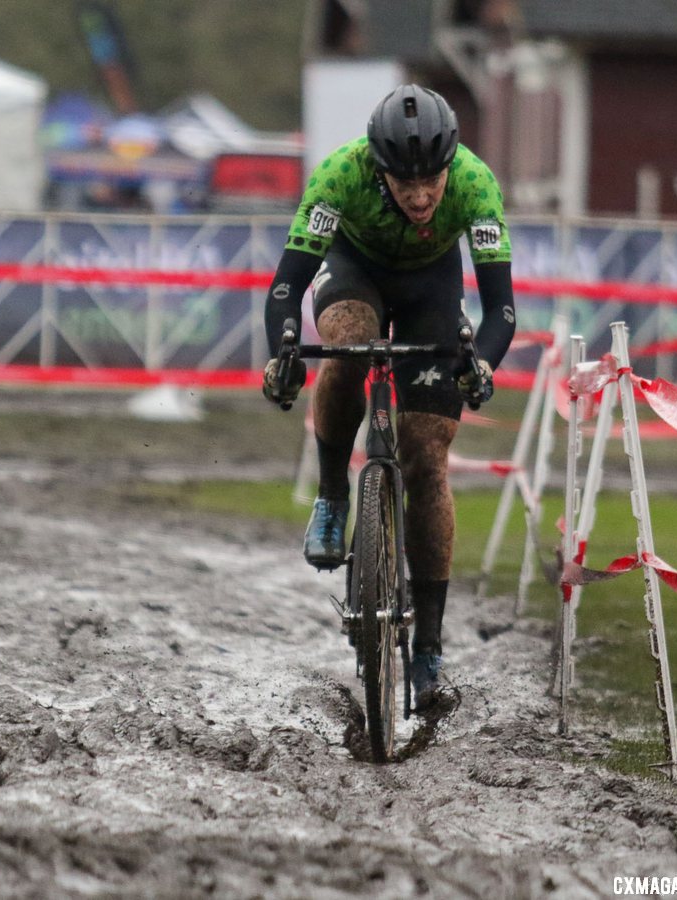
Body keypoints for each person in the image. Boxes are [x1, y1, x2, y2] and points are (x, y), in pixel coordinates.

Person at [260, 84, 515, 709]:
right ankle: (331, 496)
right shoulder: (339, 175)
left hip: (432, 287)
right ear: (379, 168)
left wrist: (480, 361)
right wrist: (284, 352)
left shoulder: (476, 186)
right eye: (406, 184)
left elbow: (500, 308)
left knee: (426, 459)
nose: (423, 195)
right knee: (348, 344)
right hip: (355, 269)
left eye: (433, 180)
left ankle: (428, 650)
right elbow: (285, 289)